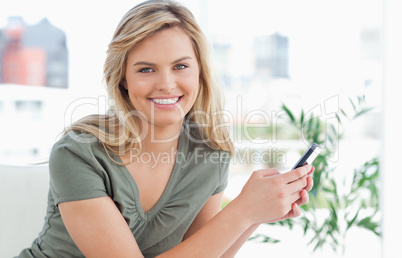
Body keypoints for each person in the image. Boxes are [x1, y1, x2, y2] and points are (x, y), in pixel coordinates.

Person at [17, 0, 314, 257]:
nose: (166, 84)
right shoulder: (79, 153)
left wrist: (256, 216)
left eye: (180, 66)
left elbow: (205, 252)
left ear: (200, 72)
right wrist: (242, 211)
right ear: (123, 78)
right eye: (146, 69)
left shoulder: (211, 153)